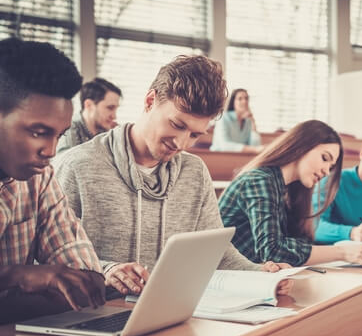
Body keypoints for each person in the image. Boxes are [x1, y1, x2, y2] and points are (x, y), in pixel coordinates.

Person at [54, 55, 291, 297]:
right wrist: (107, 270)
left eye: (194, 135)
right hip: (95, 315)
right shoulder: (78, 166)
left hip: (167, 311)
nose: (181, 143)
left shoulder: (194, 172)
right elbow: (53, 261)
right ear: (149, 101)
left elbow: (216, 254)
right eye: (177, 125)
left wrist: (260, 274)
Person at [0, 37, 105, 336]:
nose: (51, 151)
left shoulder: (41, 177)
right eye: (38, 131)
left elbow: (86, 282)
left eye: (59, 134)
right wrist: (17, 276)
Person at [218, 120, 362, 268]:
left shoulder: (287, 189)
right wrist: (343, 253)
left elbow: (294, 245)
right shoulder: (259, 180)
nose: (327, 171)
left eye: (331, 166)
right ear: (301, 147)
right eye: (325, 158)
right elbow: (272, 251)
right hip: (221, 282)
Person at [56, 77, 122, 154]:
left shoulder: (105, 131)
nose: (114, 117)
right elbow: (70, 164)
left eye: (116, 109)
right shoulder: (69, 129)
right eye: (110, 108)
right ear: (89, 105)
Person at [210, 88, 263, 153]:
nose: (244, 101)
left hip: (239, 157)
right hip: (218, 156)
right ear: (233, 102)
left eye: (246, 98)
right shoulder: (223, 118)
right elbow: (224, 145)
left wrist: (253, 122)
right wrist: (254, 149)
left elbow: (255, 145)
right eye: (240, 99)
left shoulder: (248, 121)